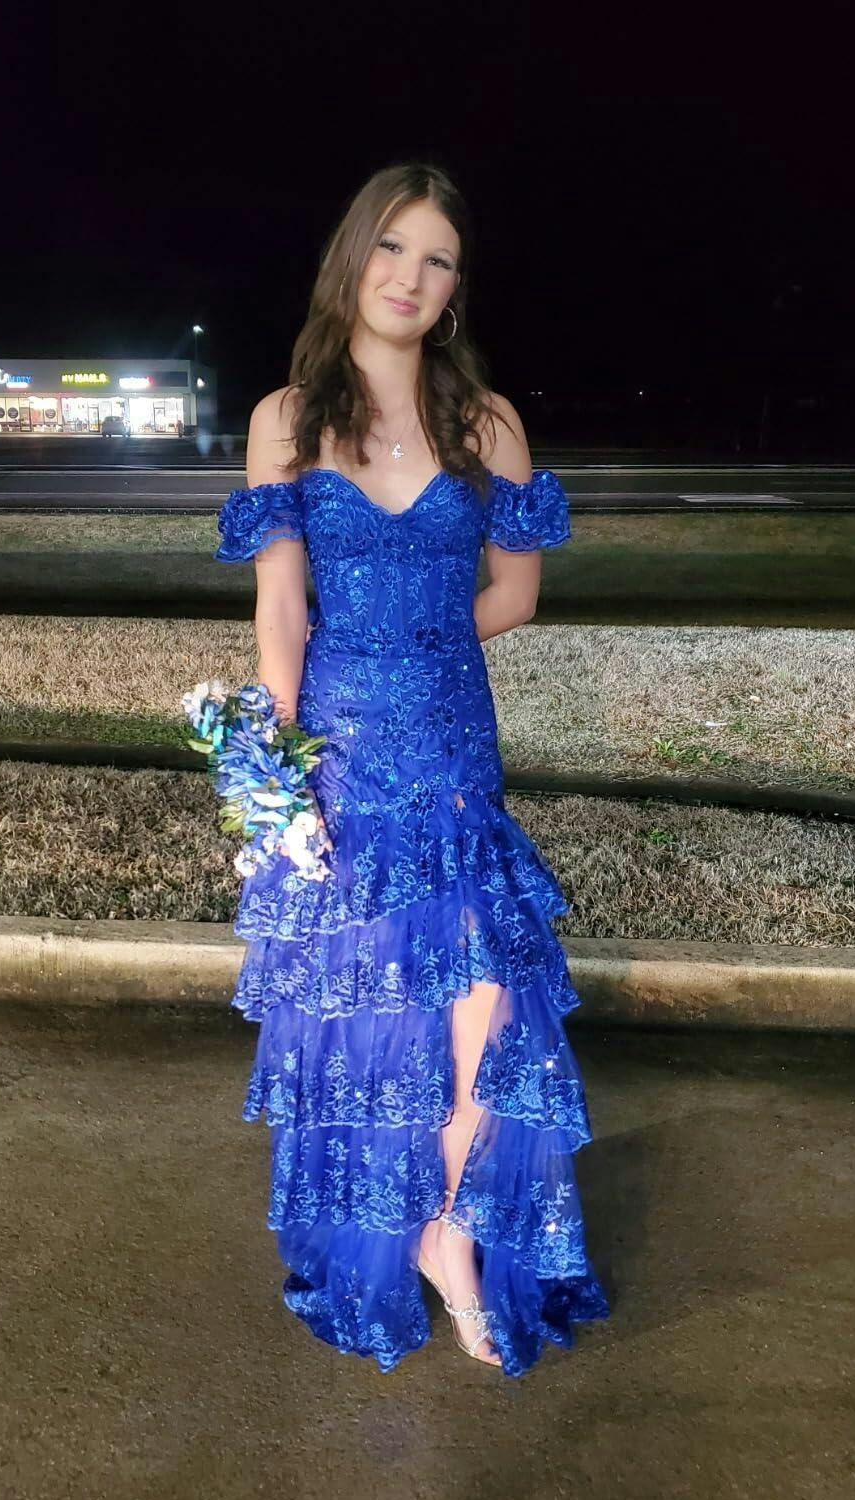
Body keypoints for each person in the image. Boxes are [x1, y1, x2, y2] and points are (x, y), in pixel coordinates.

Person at [214, 161, 609, 1376]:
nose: (410, 277)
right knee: (374, 1011)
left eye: (438, 259)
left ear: (455, 289)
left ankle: (447, 1233)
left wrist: (418, 644)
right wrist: (274, 778)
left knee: (487, 1005)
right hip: (340, 754)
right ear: (354, 258)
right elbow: (283, 613)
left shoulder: (487, 424)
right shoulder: (286, 421)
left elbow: (516, 595)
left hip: (450, 756)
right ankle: (416, 1234)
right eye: (392, 247)